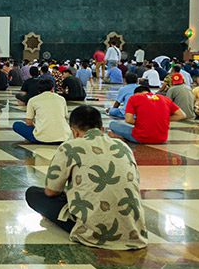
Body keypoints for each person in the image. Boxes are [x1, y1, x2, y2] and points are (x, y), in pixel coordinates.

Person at [25, 105, 147, 250]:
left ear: (74, 131)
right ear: (102, 129)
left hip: (93, 233)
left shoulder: (70, 147)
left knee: (33, 193)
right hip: (133, 230)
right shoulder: (123, 146)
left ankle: (80, 226)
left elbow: (51, 192)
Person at [108, 86, 186, 144]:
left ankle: (123, 138)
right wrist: (162, 119)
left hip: (141, 137)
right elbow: (182, 115)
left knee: (113, 124)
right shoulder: (165, 99)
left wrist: (143, 122)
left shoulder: (134, 98)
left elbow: (128, 120)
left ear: (136, 94)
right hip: (162, 138)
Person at [12, 79, 71, 144]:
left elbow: (28, 122)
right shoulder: (61, 99)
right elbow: (66, 117)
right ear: (52, 88)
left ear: (38, 90)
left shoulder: (33, 100)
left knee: (17, 125)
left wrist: (37, 127)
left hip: (41, 139)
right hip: (63, 137)